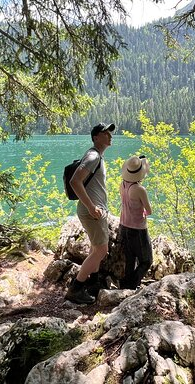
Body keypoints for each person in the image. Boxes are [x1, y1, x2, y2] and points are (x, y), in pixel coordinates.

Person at [65, 122, 115, 304]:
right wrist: (92, 207)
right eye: (105, 132)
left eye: (110, 132)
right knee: (101, 250)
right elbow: (75, 181)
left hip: (92, 211)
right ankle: (76, 288)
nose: (109, 135)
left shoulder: (96, 156)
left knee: (96, 248)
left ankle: (94, 283)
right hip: (92, 212)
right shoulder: (93, 156)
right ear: (95, 137)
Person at [119, 155, 153, 290]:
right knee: (146, 261)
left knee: (130, 260)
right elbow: (149, 211)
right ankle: (132, 285)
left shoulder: (122, 184)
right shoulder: (140, 189)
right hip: (138, 229)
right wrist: (144, 213)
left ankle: (125, 286)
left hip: (123, 226)